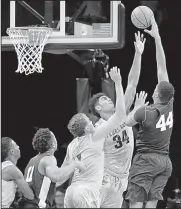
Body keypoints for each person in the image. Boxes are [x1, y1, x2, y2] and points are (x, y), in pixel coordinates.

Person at [88, 31, 146, 208]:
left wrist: (138, 54)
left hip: (122, 177)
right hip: (105, 176)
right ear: (98, 108)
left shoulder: (121, 115)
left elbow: (132, 83)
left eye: (108, 97)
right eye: (104, 99)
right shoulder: (98, 128)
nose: (109, 98)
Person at [125, 16, 175, 208]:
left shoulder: (146, 112)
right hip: (165, 161)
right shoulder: (169, 103)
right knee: (152, 205)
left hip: (146, 159)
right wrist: (157, 38)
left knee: (137, 204)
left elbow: (127, 122)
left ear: (156, 93)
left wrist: (137, 107)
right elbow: (162, 69)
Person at [63, 66, 126, 208]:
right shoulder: (97, 134)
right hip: (88, 190)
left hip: (71, 191)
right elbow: (121, 113)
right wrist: (117, 82)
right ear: (86, 127)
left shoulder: (73, 144)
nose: (91, 121)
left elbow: (61, 175)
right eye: (88, 120)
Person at [23, 128, 84, 208]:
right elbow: (57, 177)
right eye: (54, 137)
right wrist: (75, 165)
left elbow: (52, 183)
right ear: (53, 144)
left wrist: (68, 161)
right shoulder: (48, 158)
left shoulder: (32, 161)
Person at [1, 137, 34, 208]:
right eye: (16, 145)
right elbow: (30, 196)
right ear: (12, 151)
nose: (18, 147)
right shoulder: (12, 170)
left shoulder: (3, 167)